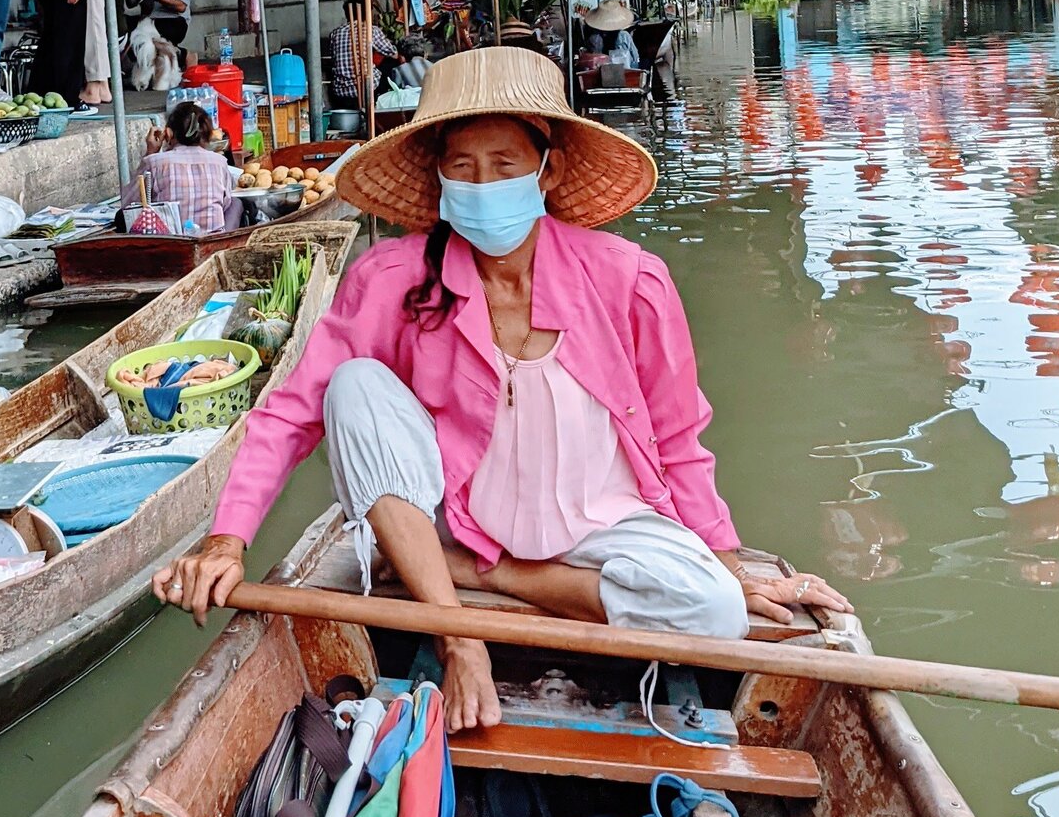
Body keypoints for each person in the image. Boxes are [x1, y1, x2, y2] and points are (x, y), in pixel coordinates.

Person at [154, 46, 848, 735]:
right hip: (465, 516)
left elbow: (678, 439)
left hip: (598, 527)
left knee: (716, 610)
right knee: (354, 387)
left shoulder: (630, 279)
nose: (482, 184)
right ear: (440, 179)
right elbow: (291, 413)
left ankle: (489, 576)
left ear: (550, 172)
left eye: (504, 166)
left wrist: (726, 564)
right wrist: (225, 540)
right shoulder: (393, 279)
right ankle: (458, 631)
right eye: (462, 167)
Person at [120, 98, 239, 234]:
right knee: (236, 203)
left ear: (168, 134)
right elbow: (225, 202)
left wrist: (150, 152)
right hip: (211, 241)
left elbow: (127, 204)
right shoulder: (220, 162)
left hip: (171, 242)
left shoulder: (154, 162)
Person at [331, 6, 398, 109]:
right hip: (366, 88)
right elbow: (393, 53)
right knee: (391, 63)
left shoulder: (335, 33)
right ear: (367, 12)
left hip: (341, 89)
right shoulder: (371, 30)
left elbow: (333, 58)